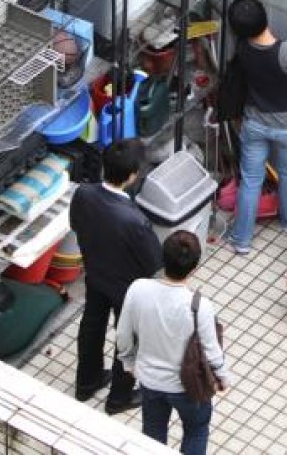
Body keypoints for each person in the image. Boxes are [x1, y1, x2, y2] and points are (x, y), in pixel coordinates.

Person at [117, 230, 230, 455]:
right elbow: (212, 352)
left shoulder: (138, 288)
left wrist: (129, 364)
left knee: (153, 432)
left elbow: (123, 335)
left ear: (163, 258)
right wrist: (224, 378)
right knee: (196, 430)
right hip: (189, 387)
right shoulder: (200, 306)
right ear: (195, 267)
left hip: (150, 382)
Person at [71, 138, 162, 413]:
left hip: (96, 274)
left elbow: (76, 225)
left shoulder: (83, 194)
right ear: (132, 175)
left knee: (92, 325)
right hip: (127, 288)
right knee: (129, 340)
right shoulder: (135, 220)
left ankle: (87, 382)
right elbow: (154, 262)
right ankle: (119, 398)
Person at [226, 0, 287, 255]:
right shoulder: (286, 50)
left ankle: (242, 240)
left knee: (251, 181)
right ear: (264, 17)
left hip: (254, 123)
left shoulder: (241, 48)